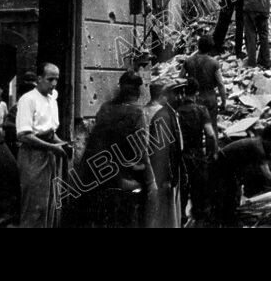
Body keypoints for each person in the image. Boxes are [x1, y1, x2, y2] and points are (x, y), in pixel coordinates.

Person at [75, 72, 156, 228]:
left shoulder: (105, 108)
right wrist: (151, 180)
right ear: (138, 92)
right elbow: (142, 150)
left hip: (96, 175)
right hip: (122, 178)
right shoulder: (137, 113)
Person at [15, 63, 67, 228]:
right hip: (33, 156)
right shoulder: (28, 99)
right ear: (39, 79)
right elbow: (24, 135)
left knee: (48, 204)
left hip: (49, 155)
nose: (53, 83)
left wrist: (61, 143)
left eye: (56, 80)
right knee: (33, 206)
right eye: (50, 79)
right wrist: (52, 147)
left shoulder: (52, 98)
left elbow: (50, 131)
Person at [209, 127, 271, 227]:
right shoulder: (258, 147)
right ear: (269, 140)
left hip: (228, 170)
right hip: (220, 169)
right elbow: (265, 171)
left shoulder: (257, 142)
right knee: (227, 199)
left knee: (232, 197)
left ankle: (228, 220)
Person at [178, 78, 217, 226]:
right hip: (198, 155)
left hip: (182, 155)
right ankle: (199, 222)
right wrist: (211, 153)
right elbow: (210, 134)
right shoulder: (201, 110)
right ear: (197, 92)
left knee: (183, 190)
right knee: (199, 191)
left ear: (183, 92)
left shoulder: (176, 111)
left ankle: (182, 218)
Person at [149, 82, 184, 228]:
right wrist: (167, 177)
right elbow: (161, 151)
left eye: (181, 94)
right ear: (167, 96)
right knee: (165, 215)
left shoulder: (170, 114)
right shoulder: (163, 116)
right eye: (176, 94)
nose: (180, 98)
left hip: (171, 174)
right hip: (165, 177)